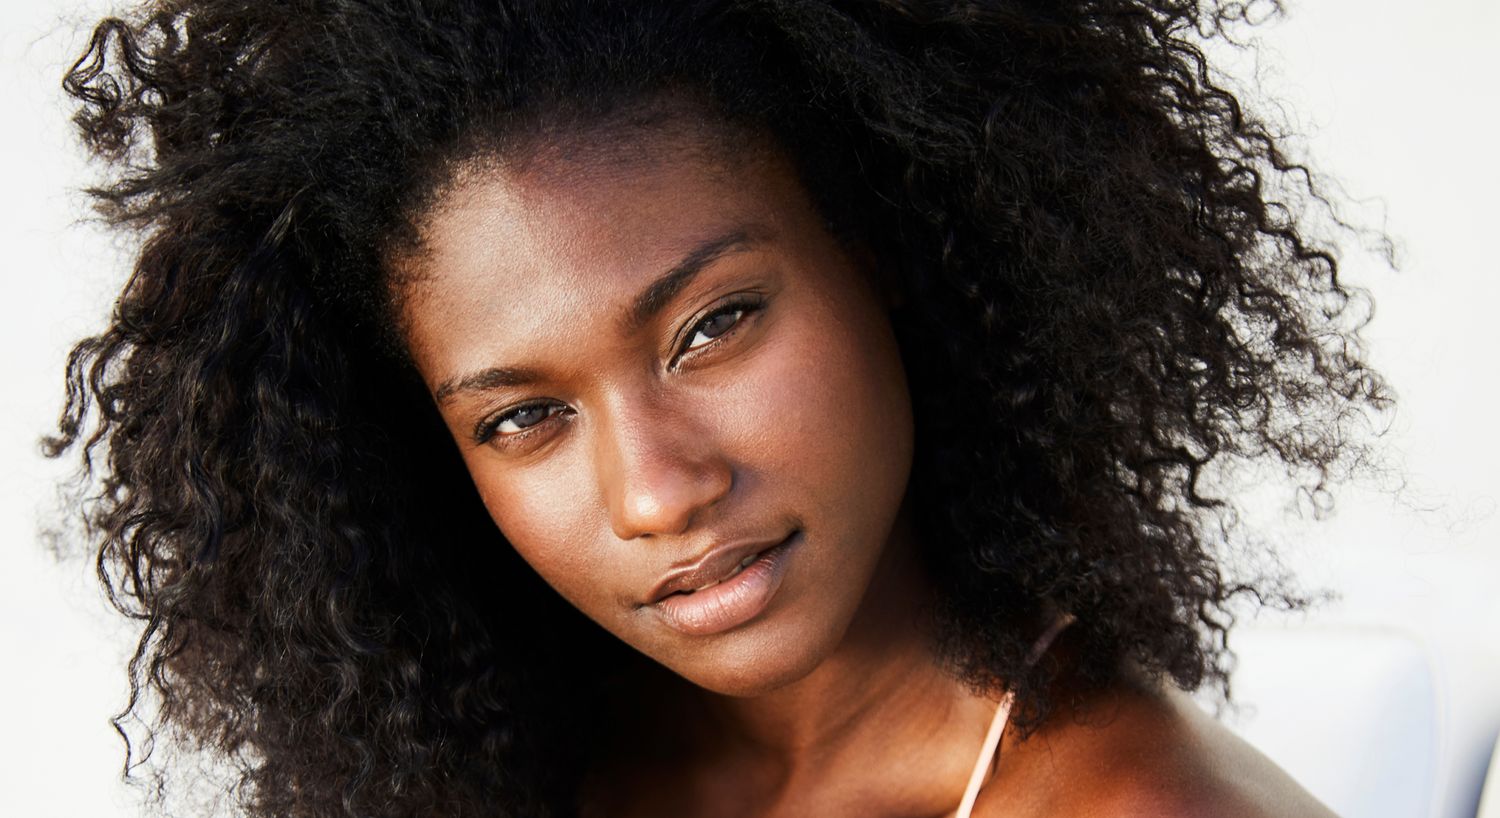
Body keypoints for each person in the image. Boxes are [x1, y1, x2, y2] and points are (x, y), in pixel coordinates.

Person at [49, 1, 1387, 816]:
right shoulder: (527, 759)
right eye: (524, 417)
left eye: (713, 326)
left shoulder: (1142, 807)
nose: (656, 490)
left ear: (883, 247)